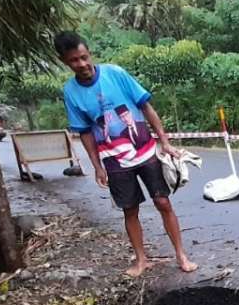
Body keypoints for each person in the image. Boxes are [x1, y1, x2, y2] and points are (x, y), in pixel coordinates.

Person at [54, 31, 197, 276]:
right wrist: (97, 166)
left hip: (144, 150)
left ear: (89, 52)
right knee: (130, 209)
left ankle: (181, 255)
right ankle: (141, 260)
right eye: (74, 61)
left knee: (163, 201)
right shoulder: (71, 92)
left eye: (84, 57)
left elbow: (145, 106)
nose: (82, 64)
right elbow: (86, 132)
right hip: (114, 160)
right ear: (65, 62)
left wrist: (165, 142)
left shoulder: (115, 74)